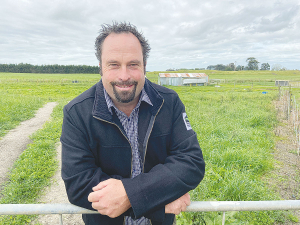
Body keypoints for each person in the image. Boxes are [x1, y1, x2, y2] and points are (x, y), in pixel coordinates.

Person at [61, 22, 205, 225]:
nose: (124, 75)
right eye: (113, 64)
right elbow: (78, 184)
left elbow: (191, 162)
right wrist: (156, 205)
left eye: (133, 64)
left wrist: (129, 195)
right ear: (100, 67)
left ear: (144, 65)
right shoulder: (77, 112)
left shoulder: (169, 102)